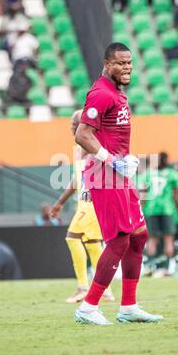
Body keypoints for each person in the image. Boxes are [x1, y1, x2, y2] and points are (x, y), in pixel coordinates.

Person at [74, 42, 163, 325]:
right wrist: (112, 160)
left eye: (129, 63)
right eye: (120, 63)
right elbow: (82, 135)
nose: (126, 68)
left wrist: (124, 159)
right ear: (106, 64)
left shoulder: (116, 94)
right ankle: (88, 307)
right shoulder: (101, 93)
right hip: (105, 176)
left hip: (119, 175)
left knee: (138, 236)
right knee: (120, 239)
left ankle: (129, 306)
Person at [51, 110, 115, 303]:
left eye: (74, 123)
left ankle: (83, 287)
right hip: (85, 203)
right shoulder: (80, 147)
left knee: (72, 238)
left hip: (92, 204)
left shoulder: (92, 143)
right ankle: (106, 290)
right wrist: (60, 202)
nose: (71, 126)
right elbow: (76, 180)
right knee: (93, 245)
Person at [141, 152, 178, 277]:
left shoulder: (148, 173)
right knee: (168, 240)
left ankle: (149, 267)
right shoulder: (172, 174)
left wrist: (141, 208)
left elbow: (143, 192)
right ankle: (166, 268)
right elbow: (176, 195)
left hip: (151, 209)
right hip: (167, 209)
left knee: (152, 239)